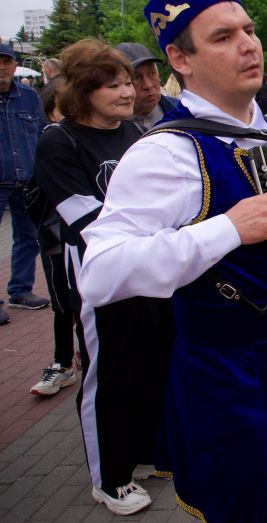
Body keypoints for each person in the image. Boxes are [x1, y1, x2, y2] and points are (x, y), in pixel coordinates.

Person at [77, 0, 267, 521]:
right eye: (223, 36)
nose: (249, 44)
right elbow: (100, 273)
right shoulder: (165, 154)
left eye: (249, 29)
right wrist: (227, 228)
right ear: (179, 60)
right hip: (221, 379)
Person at [34, 39, 169, 514]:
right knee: (107, 371)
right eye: (112, 84)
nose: (127, 91)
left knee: (151, 357)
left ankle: (147, 452)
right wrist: (153, 241)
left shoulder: (134, 134)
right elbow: (82, 219)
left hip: (148, 267)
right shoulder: (60, 140)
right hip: (101, 274)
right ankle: (109, 478)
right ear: (84, 90)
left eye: (127, 82)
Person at [29, 77, 80, 396]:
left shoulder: (90, 138)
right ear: (51, 111)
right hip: (58, 238)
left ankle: (78, 357)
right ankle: (63, 363)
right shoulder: (52, 141)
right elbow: (37, 199)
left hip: (87, 240)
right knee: (64, 303)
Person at [0, 42, 49, 326]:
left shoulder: (30, 97)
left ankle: (21, 290)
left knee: (28, 239)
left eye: (7, 61)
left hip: (27, 182)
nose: (3, 67)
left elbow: (42, 135)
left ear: (14, 65)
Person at [114, 42, 180, 132]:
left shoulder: (183, 111)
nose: (148, 85)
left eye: (152, 74)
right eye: (136, 77)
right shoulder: (110, 126)